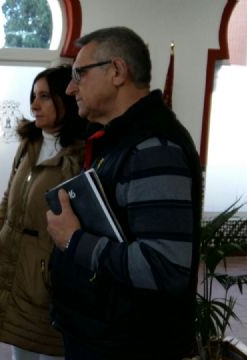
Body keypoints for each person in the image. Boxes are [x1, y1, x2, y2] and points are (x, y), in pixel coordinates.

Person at [45, 27, 202, 360]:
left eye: (78, 74)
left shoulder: (153, 148)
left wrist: (74, 241)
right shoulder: (118, 139)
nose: (71, 87)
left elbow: (164, 266)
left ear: (116, 71)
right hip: (103, 335)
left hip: (129, 345)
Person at [0, 65, 88, 360]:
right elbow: (9, 194)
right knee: (21, 347)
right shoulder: (30, 143)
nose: (34, 105)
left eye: (44, 96)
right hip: (15, 263)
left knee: (53, 347)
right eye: (33, 96)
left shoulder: (81, 153)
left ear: (64, 100)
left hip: (49, 272)